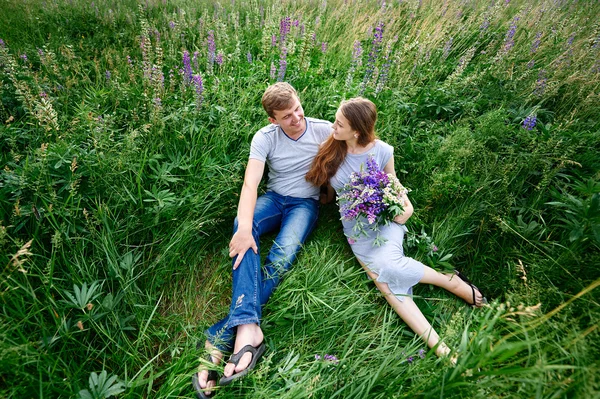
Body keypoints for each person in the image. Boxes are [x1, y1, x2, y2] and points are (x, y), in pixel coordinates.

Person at [305, 97, 487, 361]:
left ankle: (450, 285)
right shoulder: (331, 147)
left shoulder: (382, 151)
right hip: (356, 230)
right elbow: (331, 189)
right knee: (389, 288)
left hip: (383, 221)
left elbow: (394, 184)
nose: (333, 125)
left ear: (356, 130)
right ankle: (442, 345)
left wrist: (408, 208)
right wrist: (326, 196)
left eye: (339, 123)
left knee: (388, 270)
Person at [192, 82, 332, 398]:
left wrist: (330, 194)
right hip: (275, 198)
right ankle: (248, 332)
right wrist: (243, 229)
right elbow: (250, 184)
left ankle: (222, 333)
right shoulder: (264, 137)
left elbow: (352, 154)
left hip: (304, 204)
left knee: (281, 256)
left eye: (298, 109)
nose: (296, 118)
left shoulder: (323, 130)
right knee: (243, 227)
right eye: (287, 116)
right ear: (273, 119)